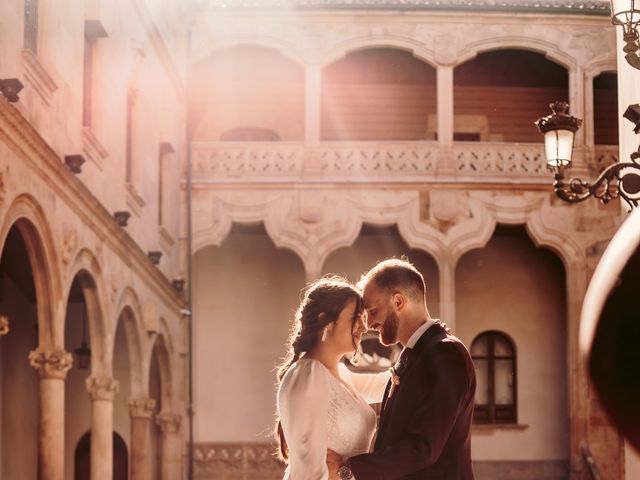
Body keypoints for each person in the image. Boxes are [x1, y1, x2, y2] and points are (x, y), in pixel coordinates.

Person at [328, 258, 477, 480]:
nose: (368, 324)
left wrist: (347, 470)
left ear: (398, 302)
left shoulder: (445, 354)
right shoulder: (415, 354)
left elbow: (423, 448)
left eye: (372, 310)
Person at [275, 276, 389, 480]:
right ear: (323, 320)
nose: (363, 327)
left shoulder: (341, 374)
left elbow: (388, 382)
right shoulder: (308, 375)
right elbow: (311, 472)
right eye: (355, 317)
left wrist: (424, 347)